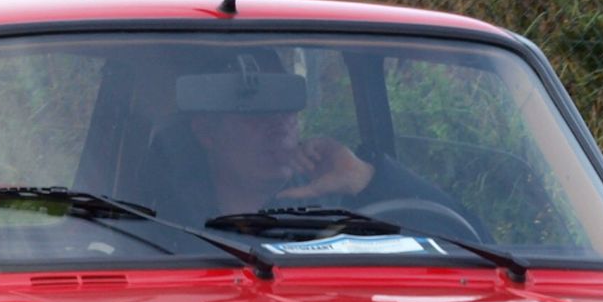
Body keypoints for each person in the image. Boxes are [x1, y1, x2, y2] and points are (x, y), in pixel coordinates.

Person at [145, 51, 463, 230]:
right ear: (206, 133)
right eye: (255, 114)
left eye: (288, 109)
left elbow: (473, 239)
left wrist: (364, 178)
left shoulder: (339, 203)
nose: (279, 126)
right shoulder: (164, 224)